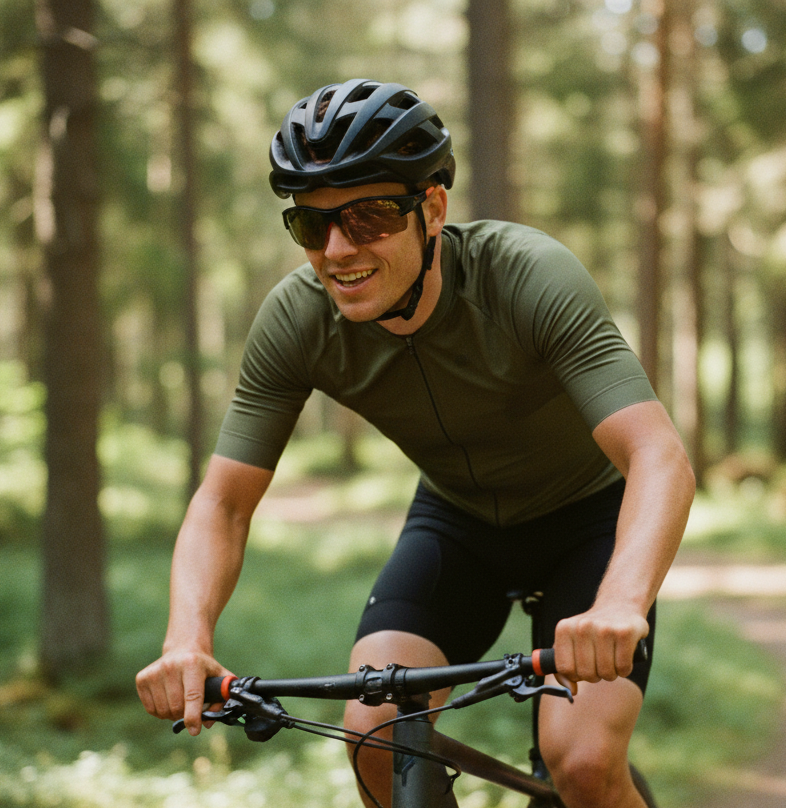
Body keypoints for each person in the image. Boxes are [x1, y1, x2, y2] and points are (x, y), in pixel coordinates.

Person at [136, 79, 695, 808]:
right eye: (312, 225)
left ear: (430, 209)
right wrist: (186, 639)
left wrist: (622, 600)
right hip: (458, 521)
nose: (337, 250)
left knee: (581, 763)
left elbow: (658, 455)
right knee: (374, 735)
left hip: (587, 521)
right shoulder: (297, 321)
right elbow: (224, 502)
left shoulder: (524, 277)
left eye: (367, 217)